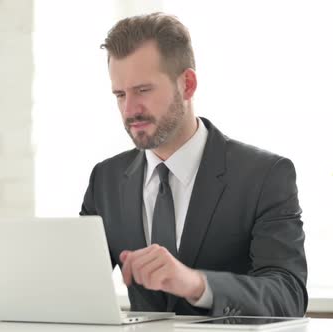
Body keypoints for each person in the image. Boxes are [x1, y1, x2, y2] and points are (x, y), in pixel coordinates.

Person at [80, 12, 307, 317]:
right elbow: (77, 287)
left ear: (187, 85)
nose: (130, 109)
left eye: (143, 90)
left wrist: (197, 284)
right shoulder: (105, 180)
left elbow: (288, 295)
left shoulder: (264, 176)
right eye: (120, 94)